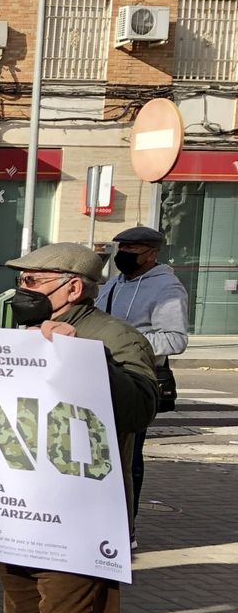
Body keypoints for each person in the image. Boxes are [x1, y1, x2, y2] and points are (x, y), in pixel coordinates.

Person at [0, 243, 157, 613]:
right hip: (21, 508)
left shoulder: (114, 337)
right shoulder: (16, 332)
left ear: (73, 287)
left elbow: (139, 409)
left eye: (33, 281)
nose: (21, 291)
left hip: (80, 518)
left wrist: (87, 359)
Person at [96, 225, 188, 527]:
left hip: (135, 377)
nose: (123, 254)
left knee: (129, 455)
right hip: (102, 374)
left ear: (151, 254)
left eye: (131, 249)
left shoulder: (167, 288)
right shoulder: (114, 284)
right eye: (120, 248)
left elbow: (176, 339)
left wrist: (127, 342)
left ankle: (126, 527)